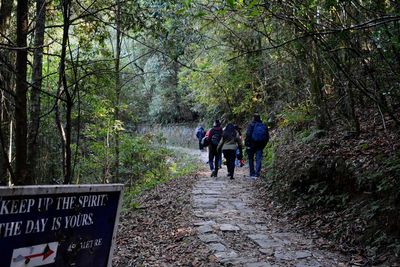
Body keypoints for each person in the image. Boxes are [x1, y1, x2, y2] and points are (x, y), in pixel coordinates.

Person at [245, 113, 269, 178]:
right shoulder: (263, 126)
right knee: (258, 159)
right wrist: (264, 144)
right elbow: (267, 137)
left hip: (251, 145)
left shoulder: (251, 125)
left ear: (253, 118)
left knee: (251, 159)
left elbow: (248, 135)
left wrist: (246, 143)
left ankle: (252, 173)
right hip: (260, 145)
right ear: (259, 118)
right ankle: (257, 173)